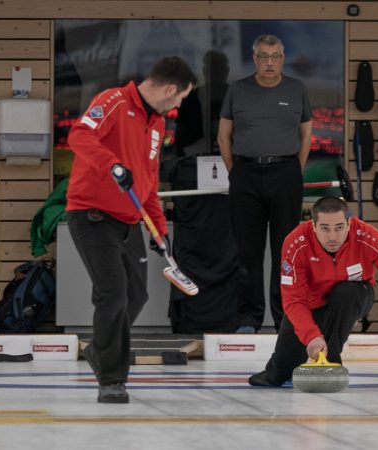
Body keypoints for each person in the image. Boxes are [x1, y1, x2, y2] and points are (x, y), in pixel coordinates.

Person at [66, 57, 197, 403]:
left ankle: (99, 350)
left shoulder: (157, 124)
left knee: (136, 296)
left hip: (128, 222)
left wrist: (158, 230)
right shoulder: (113, 101)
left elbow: (148, 184)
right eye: (181, 97)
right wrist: (113, 165)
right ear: (170, 89)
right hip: (91, 217)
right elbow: (79, 135)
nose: (179, 104)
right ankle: (112, 378)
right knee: (113, 294)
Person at [248, 196, 378, 387]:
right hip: (310, 304)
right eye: (325, 229)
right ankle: (281, 368)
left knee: (346, 292)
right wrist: (311, 336)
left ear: (349, 224)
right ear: (313, 225)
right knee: (278, 375)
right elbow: (293, 300)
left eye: (339, 228)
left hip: (354, 296)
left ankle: (332, 363)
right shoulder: (295, 244)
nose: (333, 237)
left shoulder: (367, 236)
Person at [218, 34, 313, 333]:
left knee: (285, 250)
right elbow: (224, 136)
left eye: (275, 57)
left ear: (283, 58)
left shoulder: (297, 89)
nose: (270, 62)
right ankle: (249, 317)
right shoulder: (238, 90)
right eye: (263, 56)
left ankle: (285, 317)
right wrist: (236, 172)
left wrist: (293, 169)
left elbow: (306, 135)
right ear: (255, 59)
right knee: (248, 251)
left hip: (285, 173)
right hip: (246, 174)